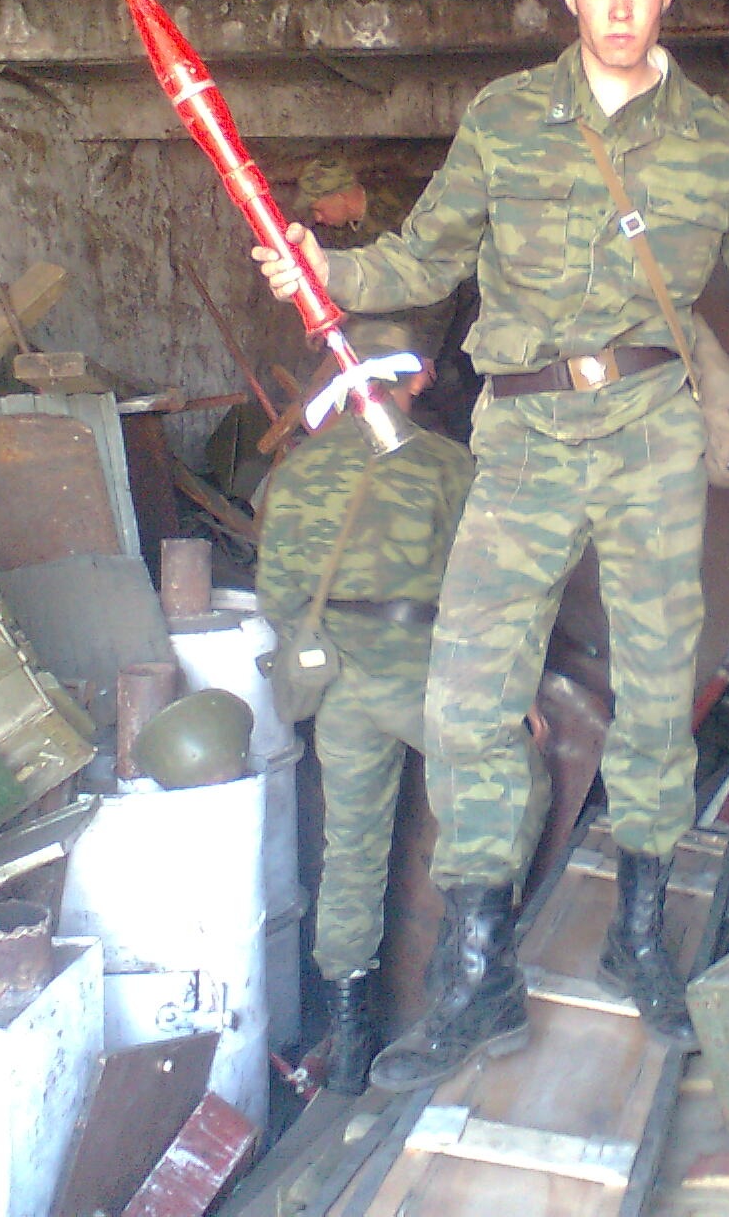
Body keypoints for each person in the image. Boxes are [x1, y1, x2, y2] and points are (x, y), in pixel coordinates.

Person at [254, 0, 729, 1090]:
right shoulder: (505, 117)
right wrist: (330, 266)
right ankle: (479, 973)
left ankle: (639, 934)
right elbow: (424, 255)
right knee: (469, 695)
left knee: (657, 689)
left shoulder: (717, 141)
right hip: (522, 432)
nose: (620, 9)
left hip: (649, 430)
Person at [254, 316, 547, 1092]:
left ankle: (349, 1048)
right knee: (514, 783)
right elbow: (490, 589)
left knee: (349, 852)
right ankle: (466, 971)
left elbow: (277, 595)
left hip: (340, 685)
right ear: (416, 377)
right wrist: (515, 686)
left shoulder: (296, 473)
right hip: (429, 674)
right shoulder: (450, 466)